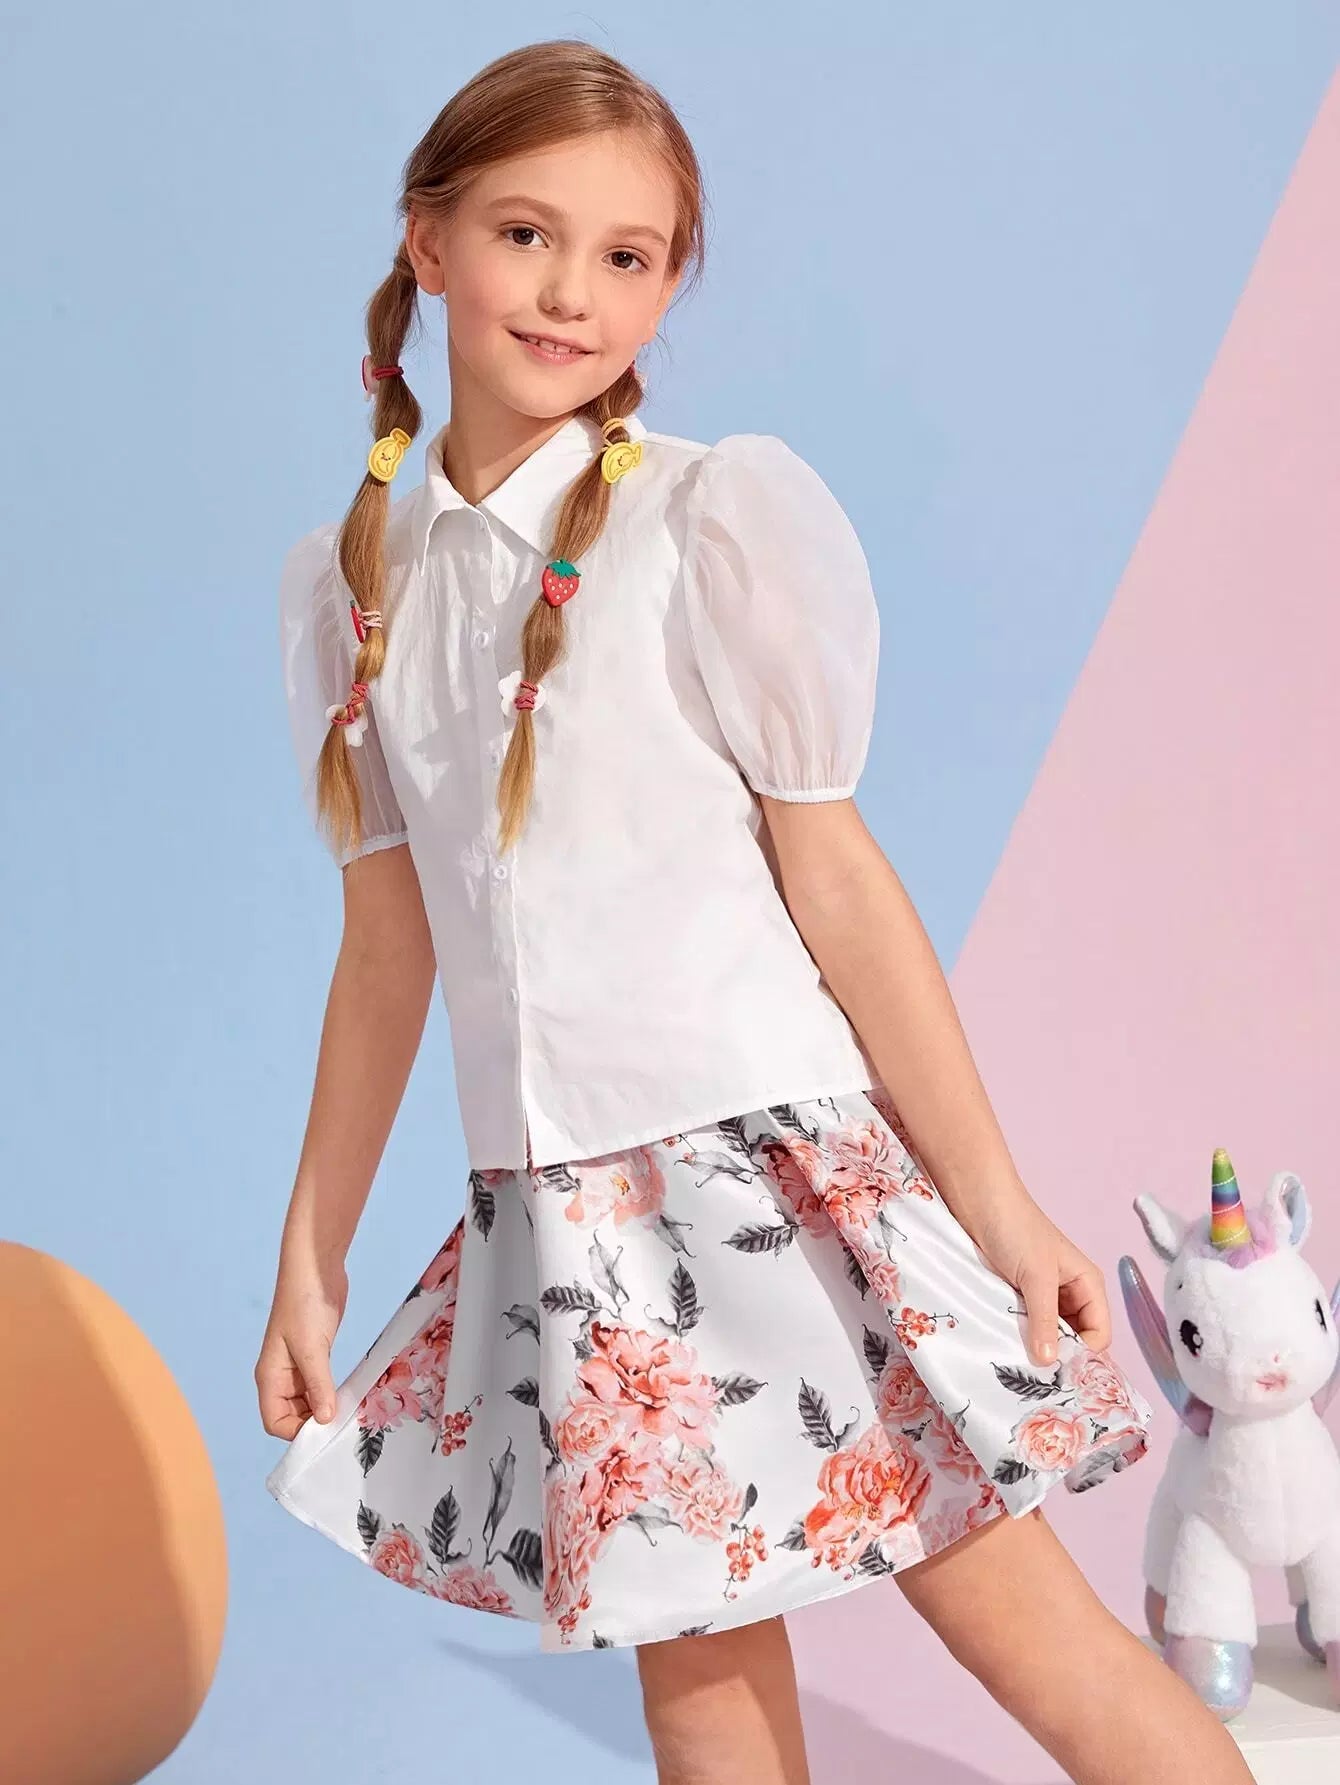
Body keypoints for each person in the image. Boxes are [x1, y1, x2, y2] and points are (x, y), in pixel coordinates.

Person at [255, 37, 1253, 1785]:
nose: (570, 291)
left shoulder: (704, 521)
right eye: (525, 233)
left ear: (667, 290)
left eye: (627, 255)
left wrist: (1000, 1206)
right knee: (697, 1699)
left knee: (1031, 1641)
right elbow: (385, 954)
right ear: (427, 240)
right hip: (566, 1228)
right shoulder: (358, 593)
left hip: (775, 1185)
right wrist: (309, 1256)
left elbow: (840, 885)